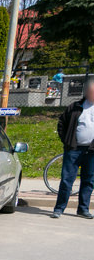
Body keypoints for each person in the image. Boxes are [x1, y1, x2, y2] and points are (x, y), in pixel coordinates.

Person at [52, 78, 94, 219]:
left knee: (88, 180)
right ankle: (59, 209)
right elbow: (61, 123)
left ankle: (83, 209)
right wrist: (67, 141)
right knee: (66, 180)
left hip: (92, 151)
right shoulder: (75, 106)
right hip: (74, 149)